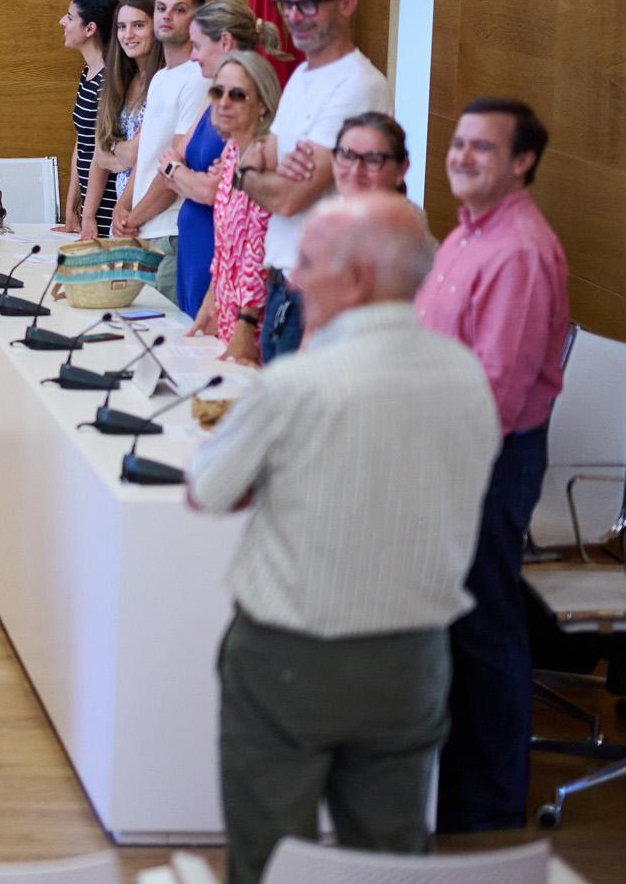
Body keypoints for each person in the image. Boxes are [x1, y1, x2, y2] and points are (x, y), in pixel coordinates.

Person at [187, 194, 500, 884]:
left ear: (357, 278)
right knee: (390, 864)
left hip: (292, 661)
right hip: (416, 659)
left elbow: (204, 489)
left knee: (271, 862)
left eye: (306, 262)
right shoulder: (468, 377)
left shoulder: (296, 385)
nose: (292, 278)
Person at [417, 99, 570, 833]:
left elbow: (496, 392)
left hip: (488, 456)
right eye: (458, 143)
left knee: (482, 622)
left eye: (483, 148)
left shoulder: (520, 251)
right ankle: (449, 784)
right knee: (456, 618)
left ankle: (489, 806)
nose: (463, 157)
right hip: (447, 445)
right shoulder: (465, 236)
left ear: (522, 163)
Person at [237, 0, 390, 363]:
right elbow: (259, 155)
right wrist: (257, 169)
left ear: (347, 4)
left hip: (321, 296)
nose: (294, 17)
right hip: (281, 284)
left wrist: (251, 175)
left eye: (308, 4)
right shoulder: (302, 77)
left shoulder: (358, 84)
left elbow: (290, 199)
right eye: (287, 5)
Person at [156, 0, 285, 316]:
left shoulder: (260, 141)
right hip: (203, 247)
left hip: (225, 255)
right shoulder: (216, 97)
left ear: (225, 41)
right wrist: (185, 174)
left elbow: (209, 189)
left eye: (197, 45)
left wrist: (178, 171)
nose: (192, 55)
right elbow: (181, 162)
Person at [114, 0, 208, 301]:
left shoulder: (198, 78)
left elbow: (175, 163)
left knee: (164, 339)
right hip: (143, 227)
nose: (166, 16)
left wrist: (134, 217)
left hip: (170, 231)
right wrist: (122, 206)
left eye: (179, 10)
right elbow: (147, 154)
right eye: (161, 8)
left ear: (197, 19)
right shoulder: (160, 78)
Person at [193, 51, 281, 364]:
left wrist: (246, 325)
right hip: (230, 311)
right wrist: (211, 298)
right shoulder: (232, 152)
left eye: (237, 94)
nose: (224, 102)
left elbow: (261, 251)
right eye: (218, 92)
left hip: (258, 322)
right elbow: (227, 246)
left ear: (263, 104)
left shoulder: (266, 158)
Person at [82, 0, 160, 239]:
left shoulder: (163, 81)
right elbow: (101, 155)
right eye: (122, 27)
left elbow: (141, 155)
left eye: (138, 25)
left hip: (151, 212)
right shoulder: (119, 81)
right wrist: (87, 216)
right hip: (122, 216)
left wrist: (116, 149)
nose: (128, 34)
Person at [55, 0, 117, 235]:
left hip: (106, 205)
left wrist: (89, 214)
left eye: (70, 17)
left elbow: (100, 152)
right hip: (89, 205)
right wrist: (71, 211)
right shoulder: (87, 74)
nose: (62, 21)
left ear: (90, 29)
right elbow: (82, 143)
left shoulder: (109, 81)